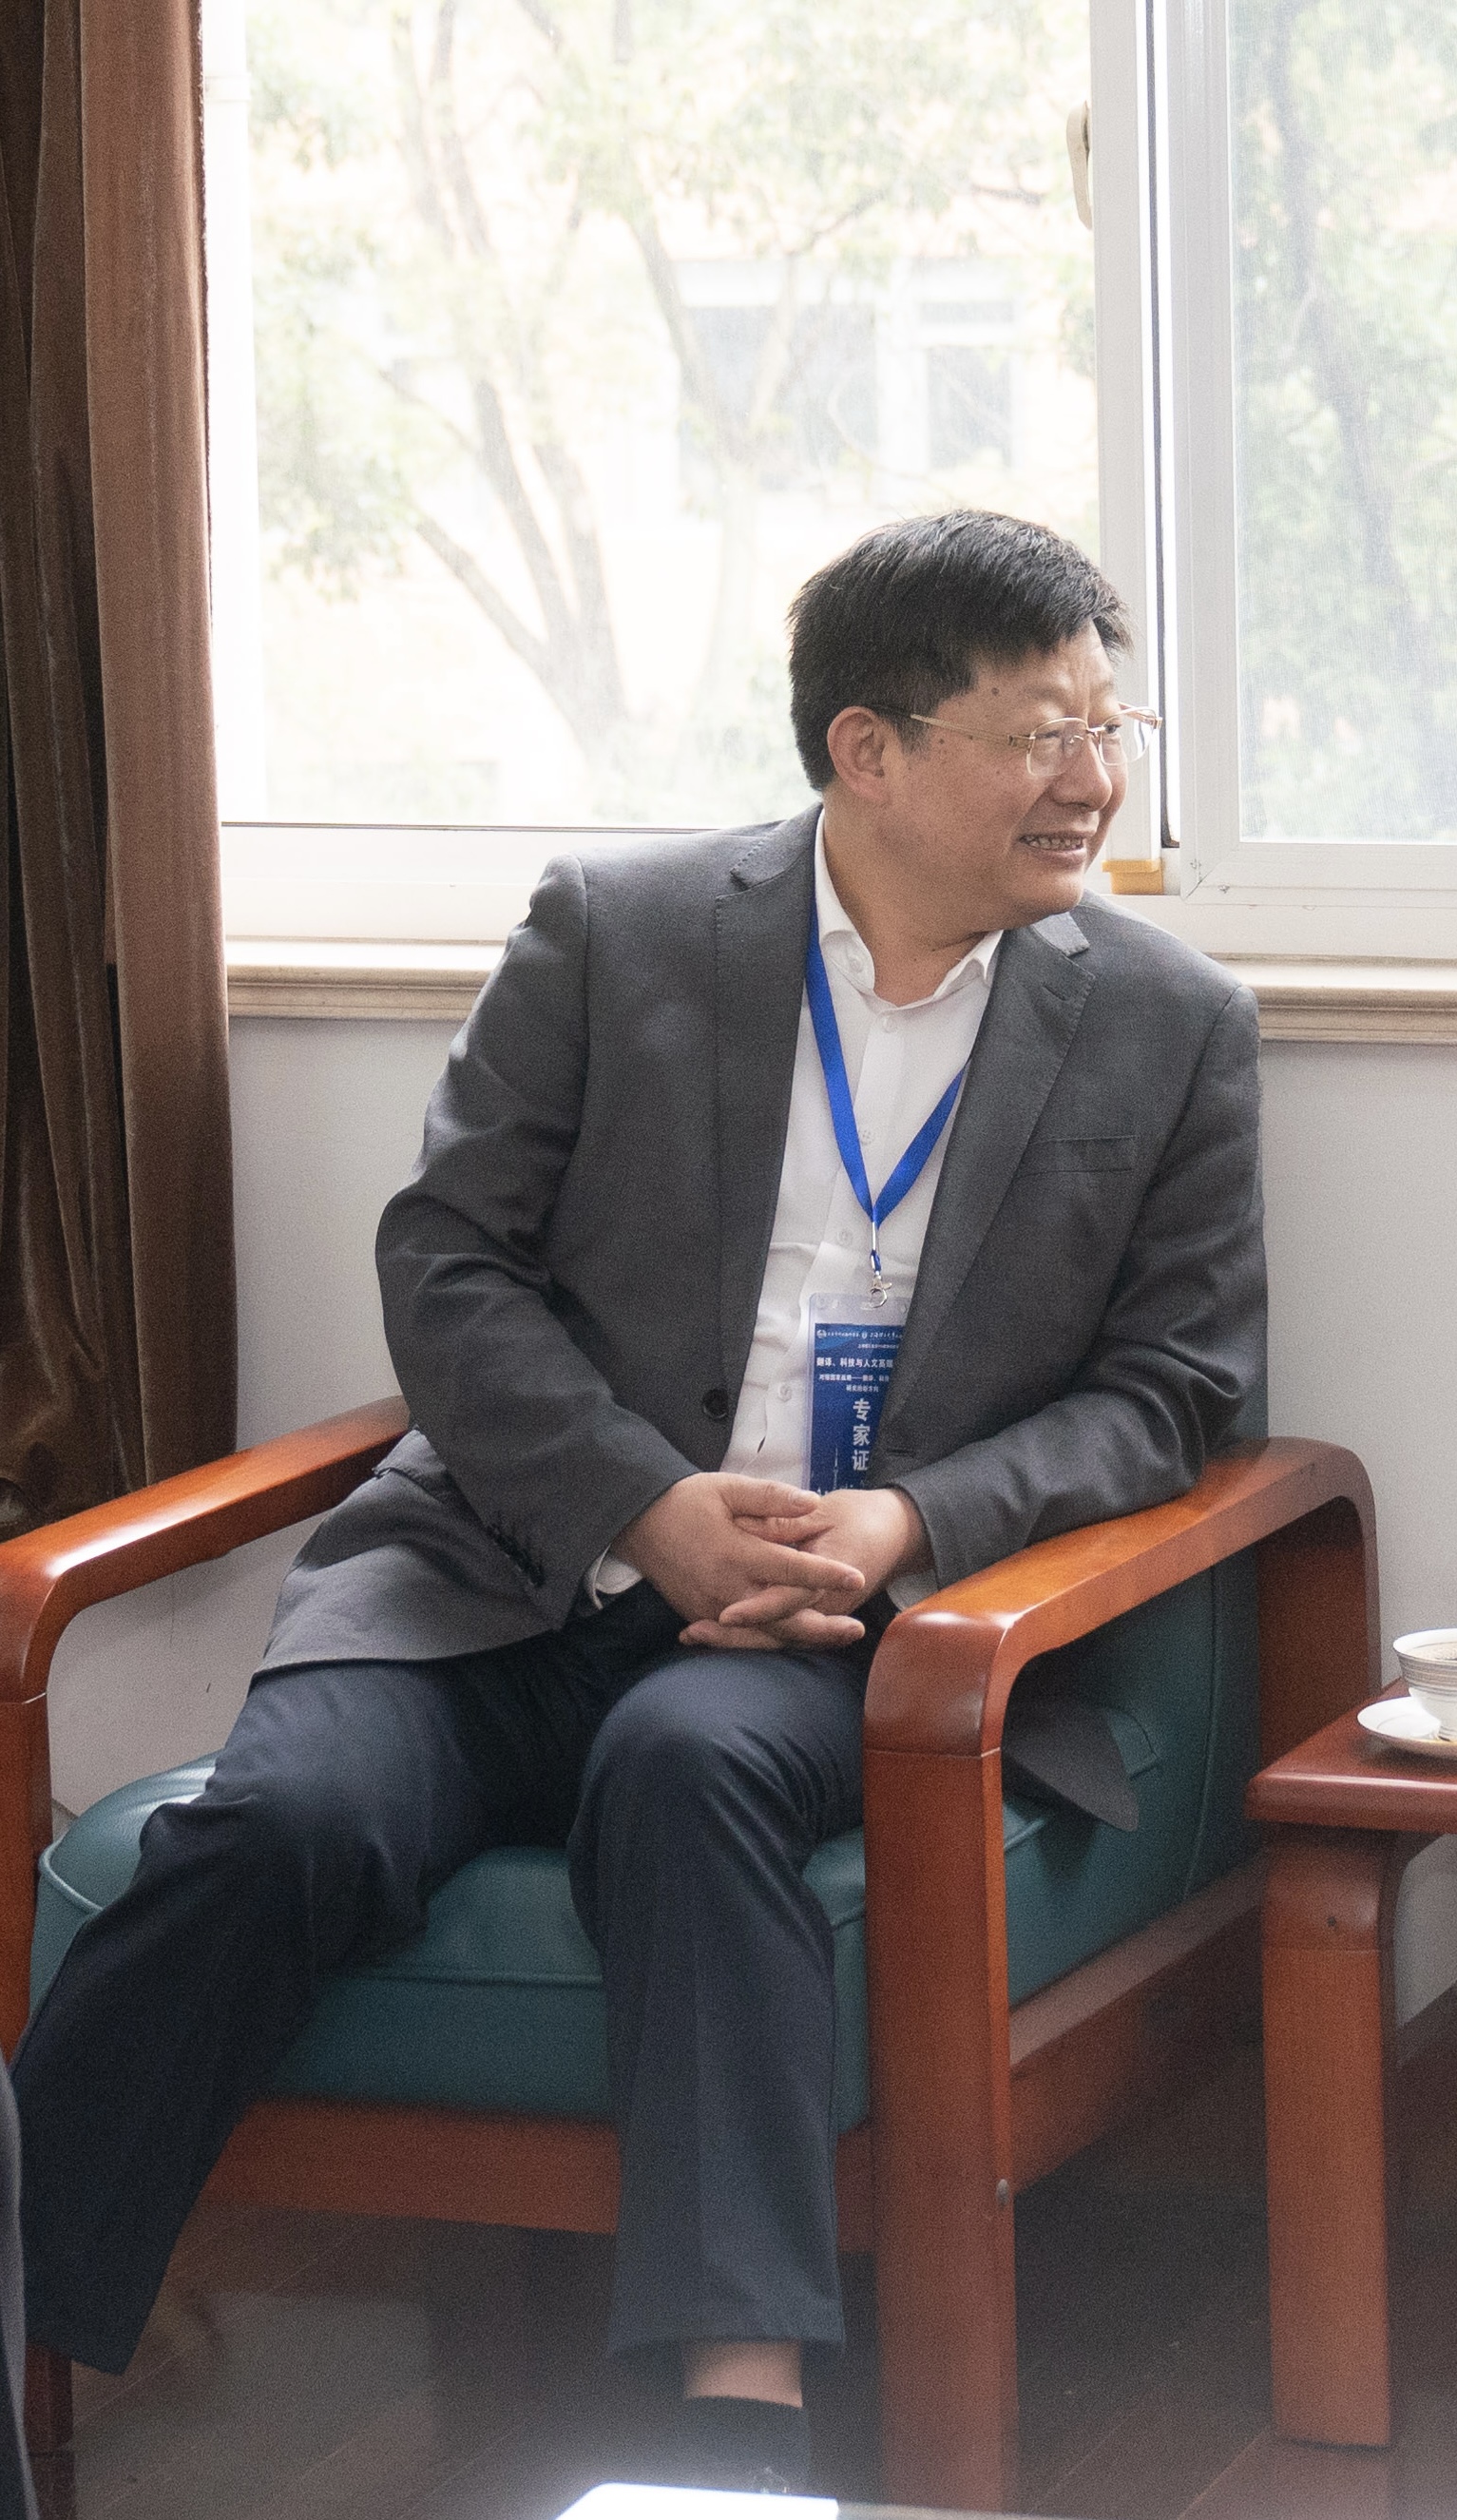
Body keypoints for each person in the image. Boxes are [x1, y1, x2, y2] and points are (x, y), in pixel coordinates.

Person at [11, 510, 1264, 2492]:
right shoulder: (621, 932)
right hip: (506, 1566)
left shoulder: (1166, 1022)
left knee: (685, 1776)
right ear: (868, 751)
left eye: (1110, 727)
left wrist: (909, 1525)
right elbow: (448, 1267)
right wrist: (643, 1503)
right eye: (1041, 732)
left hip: (831, 1619)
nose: (1093, 779)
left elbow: (1178, 1388)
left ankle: (732, 2431)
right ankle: (19, 2335)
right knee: (278, 1827)